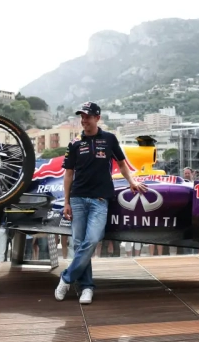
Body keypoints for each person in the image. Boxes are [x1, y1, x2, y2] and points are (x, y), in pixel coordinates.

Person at [55, 101, 147, 304]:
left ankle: (67, 277)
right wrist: (66, 202)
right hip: (78, 199)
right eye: (82, 116)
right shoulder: (75, 143)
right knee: (79, 243)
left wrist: (132, 181)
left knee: (93, 239)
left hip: (99, 200)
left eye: (87, 116)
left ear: (97, 118)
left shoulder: (110, 139)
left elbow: (122, 164)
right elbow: (68, 174)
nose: (84, 120)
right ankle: (86, 288)